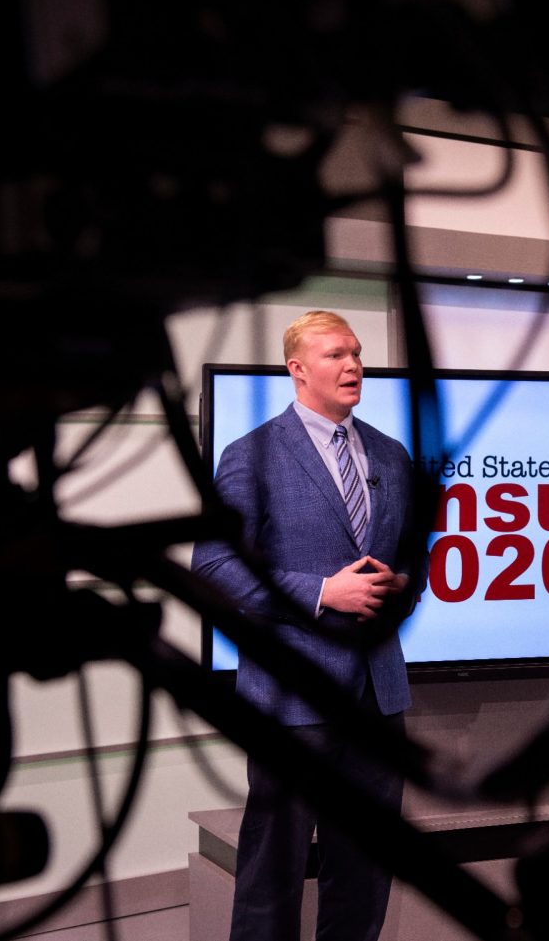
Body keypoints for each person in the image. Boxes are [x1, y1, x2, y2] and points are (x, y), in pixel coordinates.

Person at [193, 309, 415, 941]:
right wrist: (322, 592)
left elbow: (408, 563)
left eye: (357, 354)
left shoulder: (391, 455)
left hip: (378, 697)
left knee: (366, 868)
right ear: (297, 369)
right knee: (274, 869)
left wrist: (399, 588)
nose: (352, 366)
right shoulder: (252, 455)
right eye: (334, 356)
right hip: (291, 697)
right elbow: (212, 564)